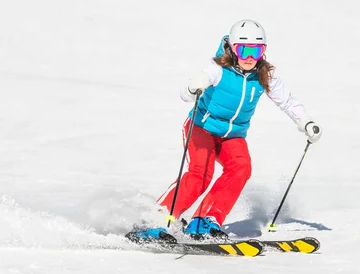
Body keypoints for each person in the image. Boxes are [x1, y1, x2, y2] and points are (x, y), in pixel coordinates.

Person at [134, 19, 322, 241]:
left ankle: (204, 220)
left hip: (232, 135)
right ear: (233, 48)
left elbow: (288, 102)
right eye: (244, 50)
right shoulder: (217, 69)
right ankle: (156, 218)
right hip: (201, 127)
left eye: (257, 50)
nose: (250, 57)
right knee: (200, 174)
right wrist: (193, 86)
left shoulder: (264, 76)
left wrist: (305, 121)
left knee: (241, 167)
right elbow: (186, 94)